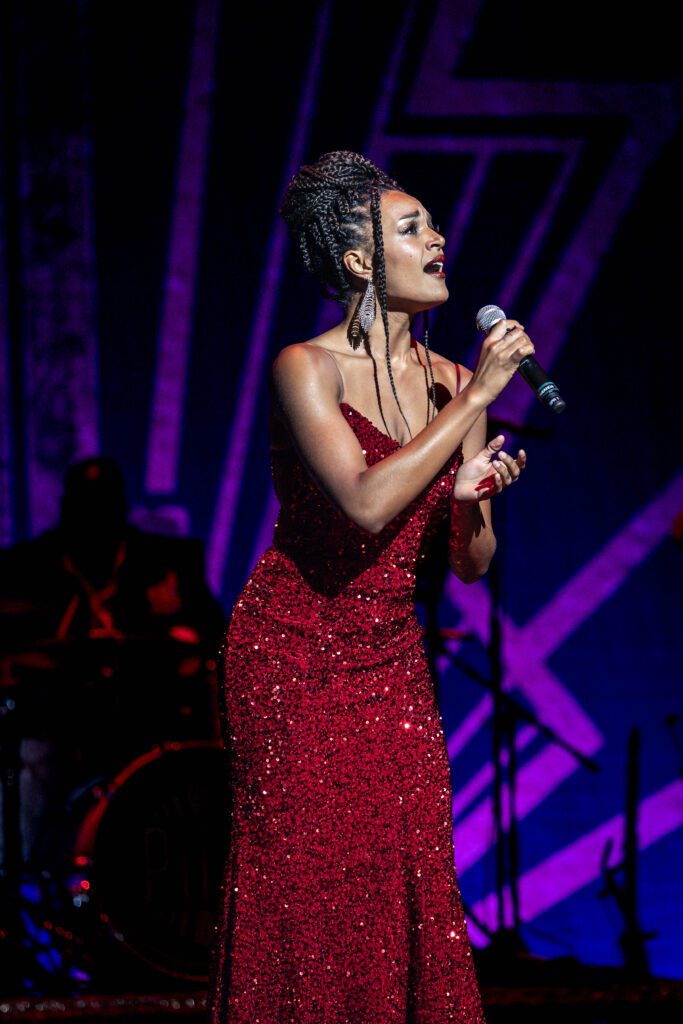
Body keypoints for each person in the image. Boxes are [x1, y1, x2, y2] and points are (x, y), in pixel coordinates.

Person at [206, 151, 534, 1023]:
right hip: (292, 655)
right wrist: (476, 404)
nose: (436, 241)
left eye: (432, 226)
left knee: (402, 880)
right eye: (411, 227)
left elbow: (469, 564)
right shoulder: (303, 369)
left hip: (390, 665)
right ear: (359, 263)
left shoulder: (455, 384)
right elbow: (363, 501)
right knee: (308, 887)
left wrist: (472, 508)